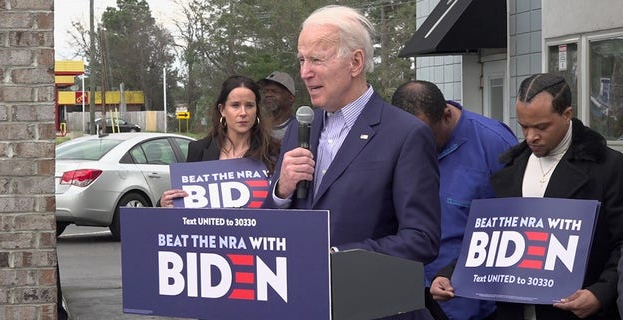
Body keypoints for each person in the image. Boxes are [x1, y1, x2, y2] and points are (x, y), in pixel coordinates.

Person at [261, 5, 441, 319]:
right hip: (305, 305)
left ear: (355, 62)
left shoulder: (406, 134)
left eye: (317, 59)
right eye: (302, 60)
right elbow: (272, 227)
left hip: (373, 308)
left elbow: (421, 240)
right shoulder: (299, 128)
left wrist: (339, 258)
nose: (305, 72)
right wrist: (281, 191)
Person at [430, 73, 623, 320]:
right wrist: (449, 274)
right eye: (524, 126)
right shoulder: (511, 168)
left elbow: (620, 243)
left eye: (541, 127)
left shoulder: (608, 167)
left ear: (567, 115)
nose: (531, 136)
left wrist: (600, 293)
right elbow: (490, 240)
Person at [391, 80, 518, 320]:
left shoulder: (493, 142)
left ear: (446, 115)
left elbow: (515, 222)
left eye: (424, 135)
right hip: (409, 290)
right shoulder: (398, 141)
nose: (416, 144)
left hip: (467, 299)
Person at [160, 75, 280, 207]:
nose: (243, 112)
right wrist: (164, 204)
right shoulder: (199, 150)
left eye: (249, 105)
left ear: (256, 110)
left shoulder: (274, 152)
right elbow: (184, 205)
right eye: (235, 105)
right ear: (222, 110)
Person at [258, 71, 296, 140]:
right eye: (265, 92)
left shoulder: (299, 129)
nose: (268, 95)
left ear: (291, 98)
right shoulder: (256, 128)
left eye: (275, 91)